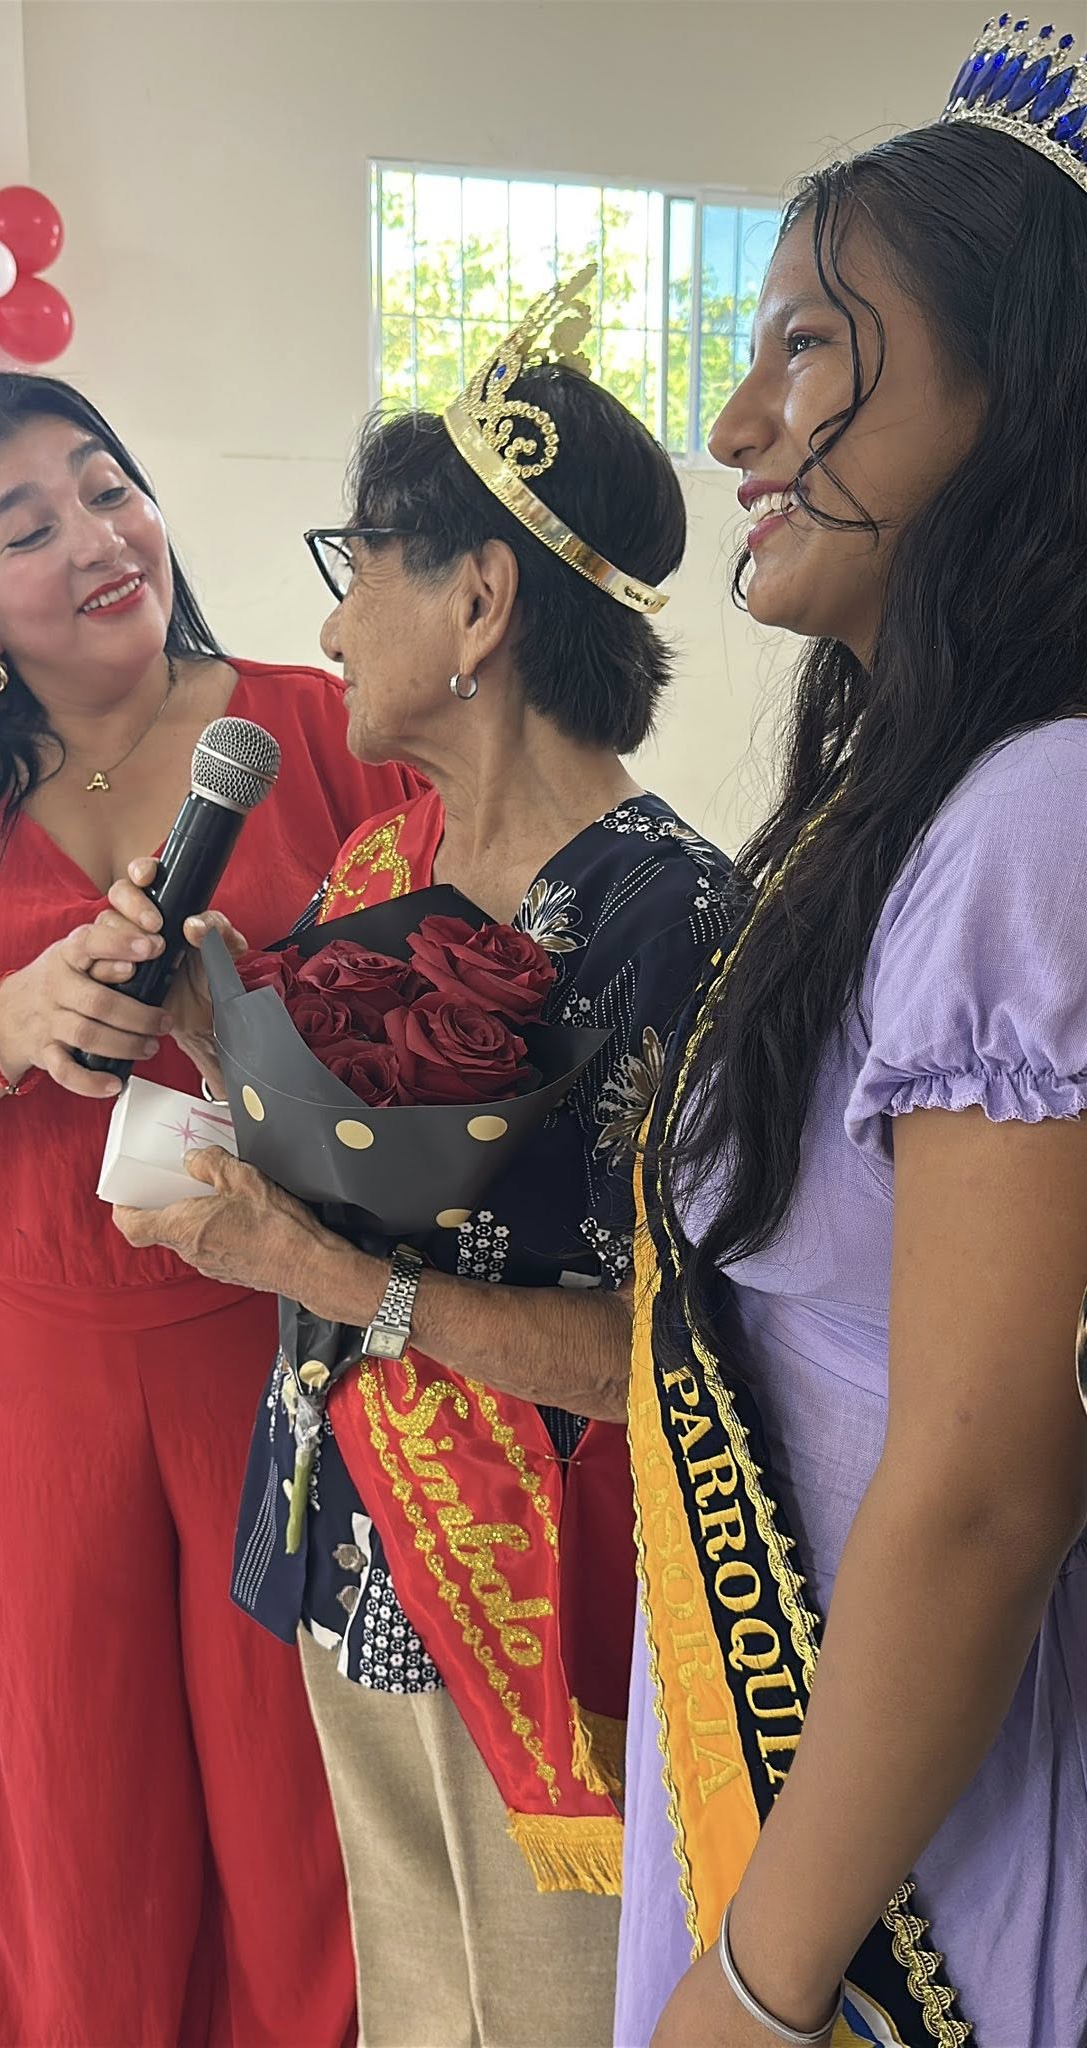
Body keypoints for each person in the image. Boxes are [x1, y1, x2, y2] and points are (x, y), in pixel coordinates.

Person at [108, 270, 735, 2048]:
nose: (329, 621)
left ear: (480, 598)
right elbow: (332, 1144)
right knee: (411, 2008)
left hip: (546, 1613)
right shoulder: (385, 862)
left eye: (359, 561)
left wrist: (326, 1277)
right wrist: (195, 1027)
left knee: (544, 2016)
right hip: (346, 1541)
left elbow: (675, 1365)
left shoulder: (680, 925)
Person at [619, 18, 1087, 2048]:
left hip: (908, 1867)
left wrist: (758, 1982)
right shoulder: (901, 801)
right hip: (795, 1759)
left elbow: (984, 1497)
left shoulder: (1036, 817)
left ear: (1026, 389)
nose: (739, 425)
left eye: (810, 346)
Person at [0, 370, 420, 2048]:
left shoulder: (323, 733)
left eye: (107, 485)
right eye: (26, 527)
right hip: (35, 1371)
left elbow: (466, 1011)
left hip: (281, 1339)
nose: (97, 539)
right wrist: (8, 1023)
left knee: (305, 1809)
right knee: (84, 1815)